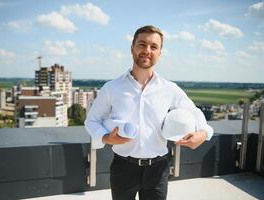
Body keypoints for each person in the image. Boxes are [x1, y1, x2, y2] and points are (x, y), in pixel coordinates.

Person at [84, 25, 213, 200]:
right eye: (142, 44)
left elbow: (193, 111)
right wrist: (106, 138)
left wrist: (203, 133)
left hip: (158, 169)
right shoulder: (111, 88)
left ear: (160, 52)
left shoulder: (170, 89)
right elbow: (92, 121)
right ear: (132, 48)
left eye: (153, 46)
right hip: (123, 167)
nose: (147, 50)